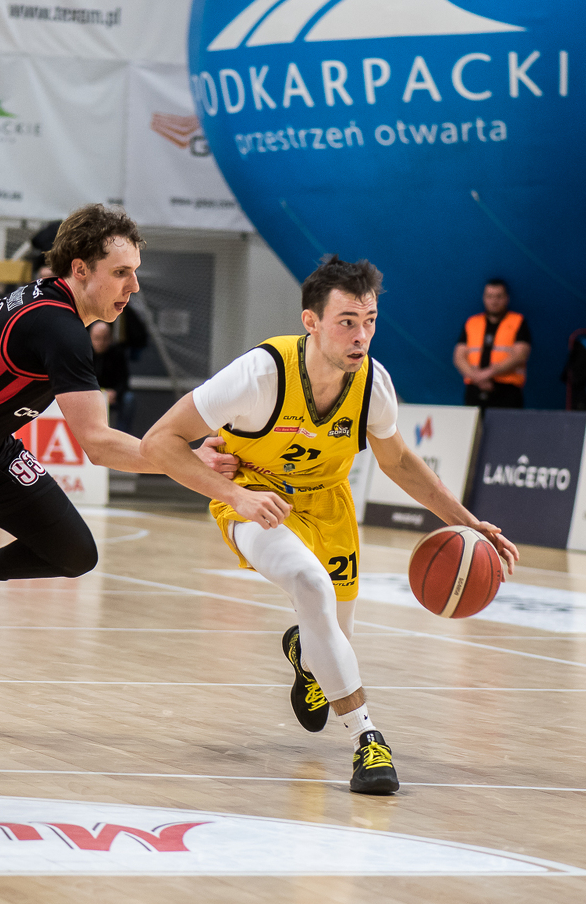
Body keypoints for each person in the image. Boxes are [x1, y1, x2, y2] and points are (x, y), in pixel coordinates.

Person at [140, 256, 518, 796]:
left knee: (333, 638)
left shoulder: (373, 384)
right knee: (310, 583)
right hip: (256, 496)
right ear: (311, 322)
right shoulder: (259, 375)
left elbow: (399, 462)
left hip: (329, 504)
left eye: (370, 321)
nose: (361, 335)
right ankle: (368, 740)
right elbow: (160, 441)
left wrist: (470, 523)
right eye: (347, 321)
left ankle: (306, 654)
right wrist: (235, 495)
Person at [0, 205, 234, 728]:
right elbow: (98, 445)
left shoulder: (53, 305)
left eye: (135, 271)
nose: (133, 286)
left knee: (75, 552)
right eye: (121, 272)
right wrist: (184, 461)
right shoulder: (58, 328)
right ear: (80, 269)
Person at [454, 278, 531, 408]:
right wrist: (477, 378)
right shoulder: (472, 323)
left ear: (507, 298)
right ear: (484, 298)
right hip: (474, 389)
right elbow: (459, 357)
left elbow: (520, 355)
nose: (494, 301)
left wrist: (488, 373)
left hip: (507, 391)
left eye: (499, 297)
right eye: (490, 296)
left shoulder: (518, 321)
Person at [89, 320, 135, 433]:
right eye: (97, 338)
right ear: (90, 338)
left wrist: (115, 393)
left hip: (112, 396)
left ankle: (122, 434)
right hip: (90, 395)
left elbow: (124, 381)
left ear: (110, 338)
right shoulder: (84, 353)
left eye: (105, 338)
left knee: (129, 399)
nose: (101, 342)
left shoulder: (117, 353)